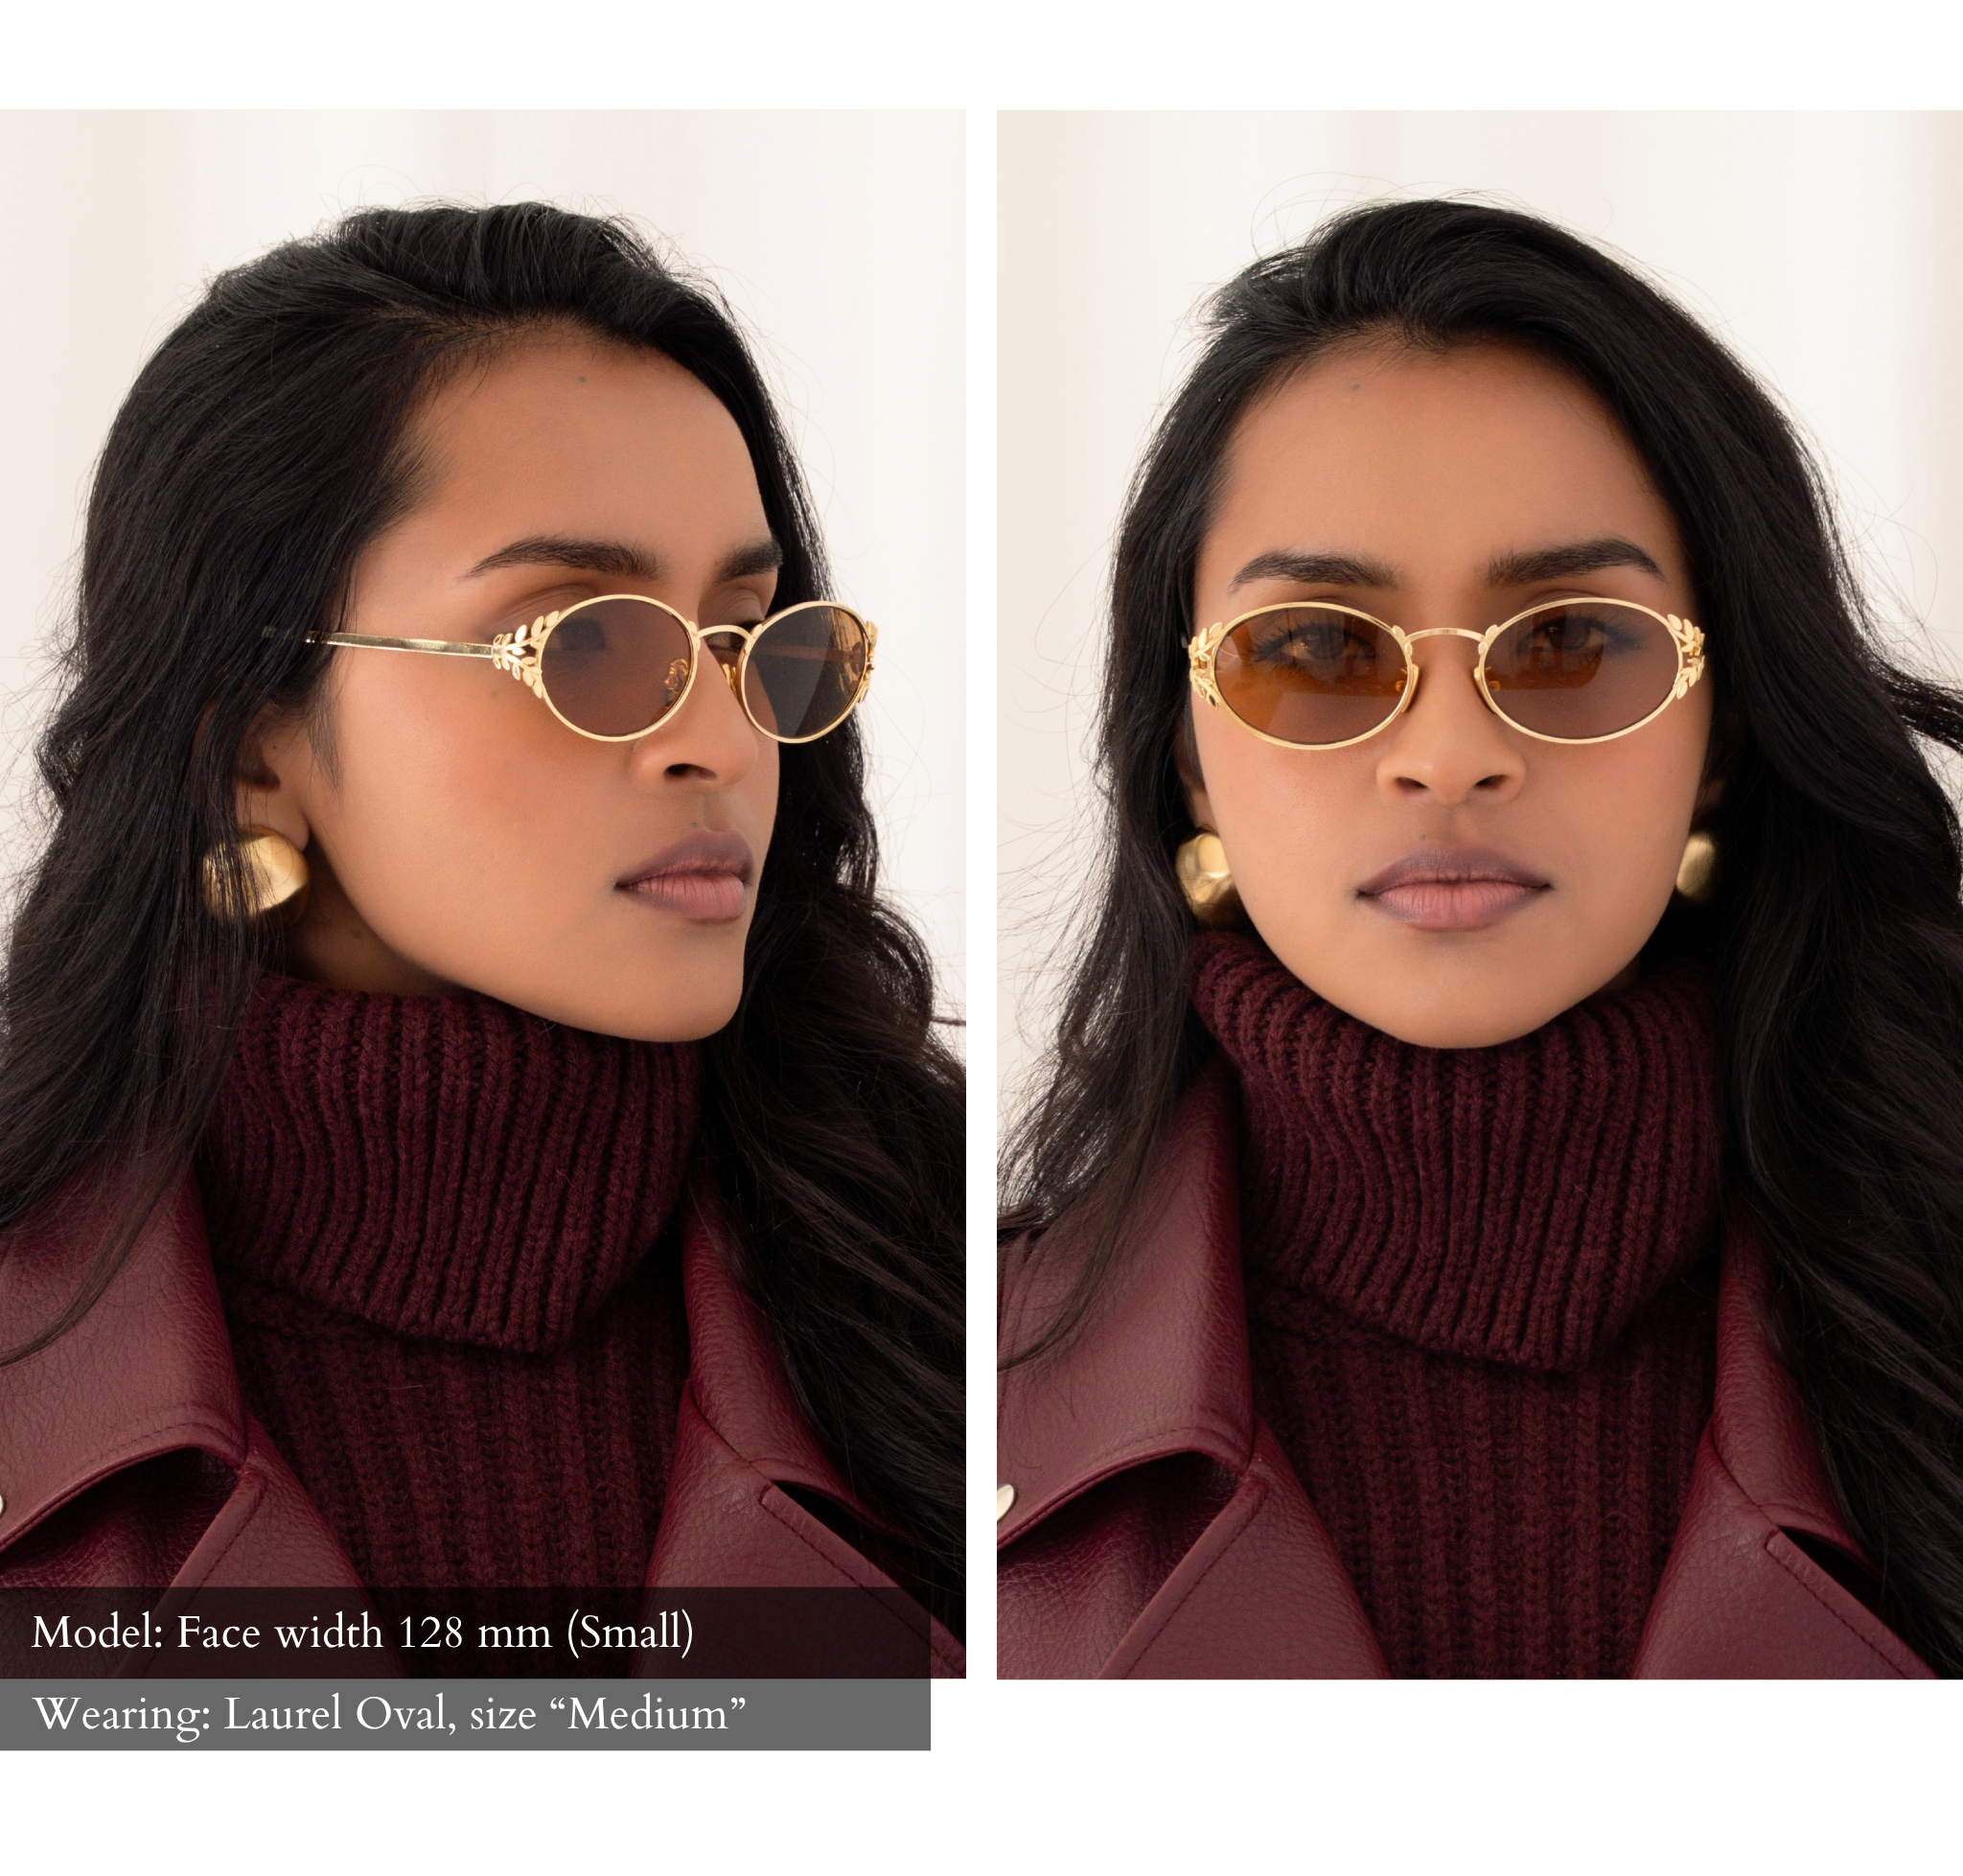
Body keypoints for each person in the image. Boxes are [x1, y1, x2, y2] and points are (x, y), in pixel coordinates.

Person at [997, 198, 1963, 1680]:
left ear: (1721, 738)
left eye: (1573, 642)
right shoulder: (920, 1396)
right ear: (1185, 754)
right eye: (1313, 651)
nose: (1449, 754)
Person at [0, 203, 963, 1679]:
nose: (720, 739)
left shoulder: (969, 1310)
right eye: (582, 640)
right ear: (252, 752)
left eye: (748, 636)